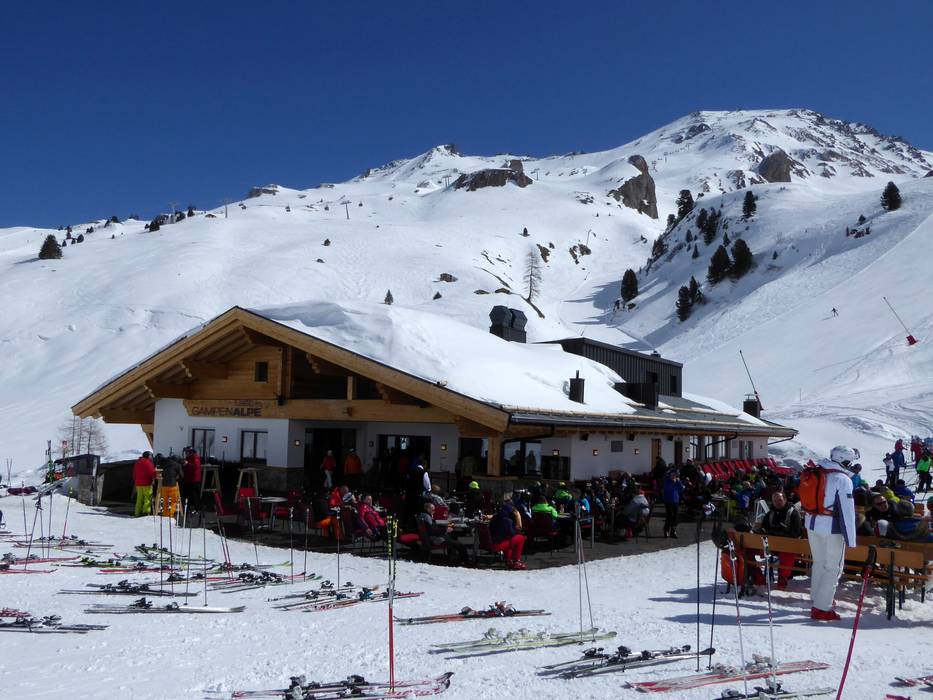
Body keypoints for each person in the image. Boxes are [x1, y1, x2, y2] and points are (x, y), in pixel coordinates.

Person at [804, 446, 857, 621]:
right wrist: (851, 540)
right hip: (831, 528)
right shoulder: (842, 479)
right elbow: (847, 512)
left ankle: (818, 596)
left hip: (812, 524)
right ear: (844, 460)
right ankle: (822, 607)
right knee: (833, 568)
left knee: (819, 562)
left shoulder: (818, 471)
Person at [756, 491, 802, 589]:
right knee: (749, 549)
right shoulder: (770, 513)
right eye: (775, 500)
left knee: (787, 552)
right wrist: (768, 532)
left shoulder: (792, 513)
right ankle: (756, 576)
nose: (777, 502)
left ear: (785, 500)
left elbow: (797, 532)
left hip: (788, 546)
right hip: (771, 545)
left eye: (780, 500)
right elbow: (763, 528)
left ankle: (782, 578)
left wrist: (783, 533)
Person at [489, 503, 527, 569]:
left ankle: (508, 559)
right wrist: (518, 520)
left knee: (508, 538)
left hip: (493, 542)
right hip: (498, 545)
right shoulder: (507, 521)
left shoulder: (494, 518)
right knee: (520, 538)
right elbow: (513, 533)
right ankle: (516, 561)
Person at [133, 451, 156, 517]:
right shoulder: (148, 462)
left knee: (139, 499)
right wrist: (154, 476)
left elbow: (134, 473)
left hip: (138, 484)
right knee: (147, 498)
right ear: (148, 456)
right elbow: (151, 472)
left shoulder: (137, 462)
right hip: (147, 483)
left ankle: (137, 513)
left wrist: (136, 481)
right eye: (151, 456)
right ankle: (145, 512)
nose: (151, 457)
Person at [662, 469, 684, 538]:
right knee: (669, 516)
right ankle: (666, 530)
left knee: (675, 516)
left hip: (675, 500)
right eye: (672, 474)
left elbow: (681, 490)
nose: (673, 476)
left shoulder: (677, 481)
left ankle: (673, 531)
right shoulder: (666, 480)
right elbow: (666, 488)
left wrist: (679, 482)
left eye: (675, 474)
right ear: (669, 475)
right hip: (668, 500)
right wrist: (673, 482)